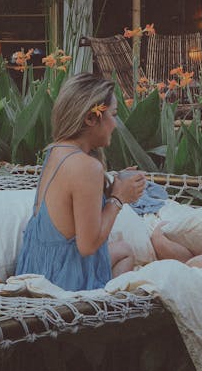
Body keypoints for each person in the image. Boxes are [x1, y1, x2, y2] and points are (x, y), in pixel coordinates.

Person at [15, 73, 146, 290]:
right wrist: (118, 198)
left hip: (36, 268)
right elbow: (87, 246)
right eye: (113, 114)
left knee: (122, 249)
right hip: (63, 282)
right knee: (125, 253)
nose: (115, 124)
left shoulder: (55, 151)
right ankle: (110, 309)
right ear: (91, 118)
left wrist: (111, 188)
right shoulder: (87, 167)